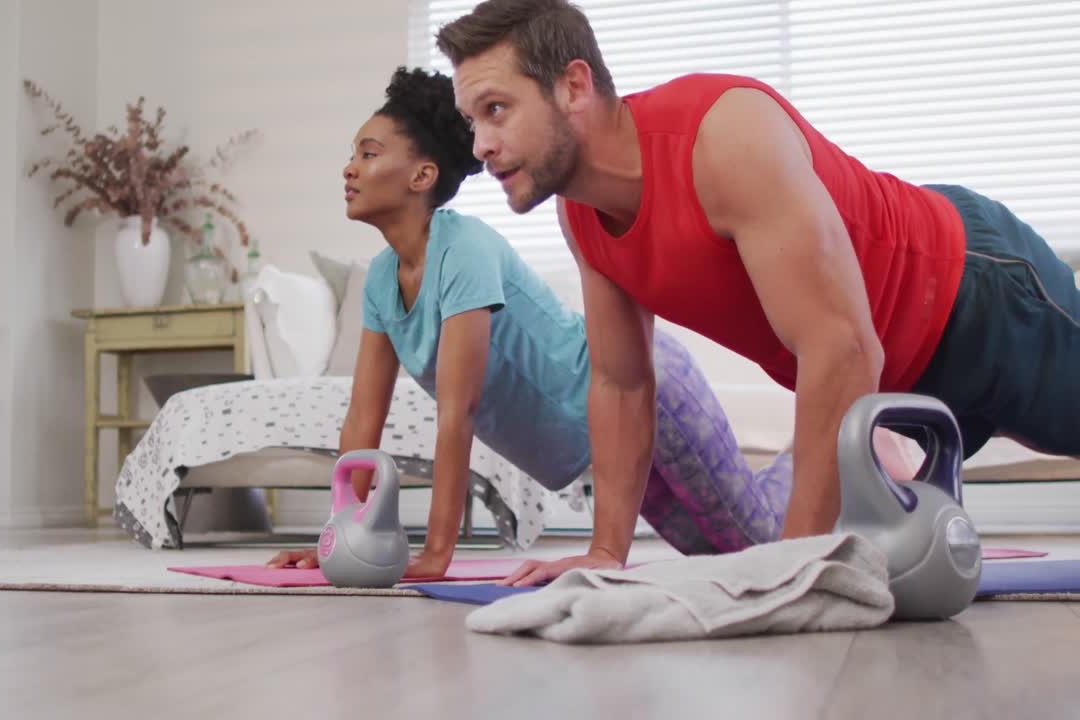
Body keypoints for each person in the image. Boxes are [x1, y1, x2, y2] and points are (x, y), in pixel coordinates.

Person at [435, 0, 1080, 585]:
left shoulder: (722, 136)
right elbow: (622, 383)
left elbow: (842, 348)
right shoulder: (581, 214)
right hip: (895, 386)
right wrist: (606, 553)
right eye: (472, 121)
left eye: (496, 110)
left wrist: (791, 565)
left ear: (573, 86)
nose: (481, 146)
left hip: (976, 291)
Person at [266, 66, 815, 582]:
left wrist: (436, 553)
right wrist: (336, 540)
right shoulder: (382, 280)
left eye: (368, 153)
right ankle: (821, 463)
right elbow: (363, 420)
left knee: (758, 545)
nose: (349, 168)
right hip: (600, 441)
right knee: (723, 560)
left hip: (649, 391)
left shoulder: (464, 250)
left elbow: (458, 413)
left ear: (421, 175)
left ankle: (832, 445)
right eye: (353, 155)